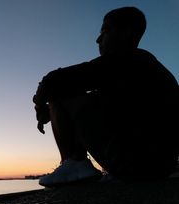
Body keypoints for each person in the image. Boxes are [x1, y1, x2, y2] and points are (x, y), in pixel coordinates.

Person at [34, 7, 179, 187]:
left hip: (134, 165)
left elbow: (53, 81)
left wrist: (40, 105)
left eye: (105, 31)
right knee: (88, 95)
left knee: (61, 93)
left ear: (126, 33)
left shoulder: (127, 60)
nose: (98, 39)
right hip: (161, 167)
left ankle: (74, 163)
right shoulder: (149, 70)